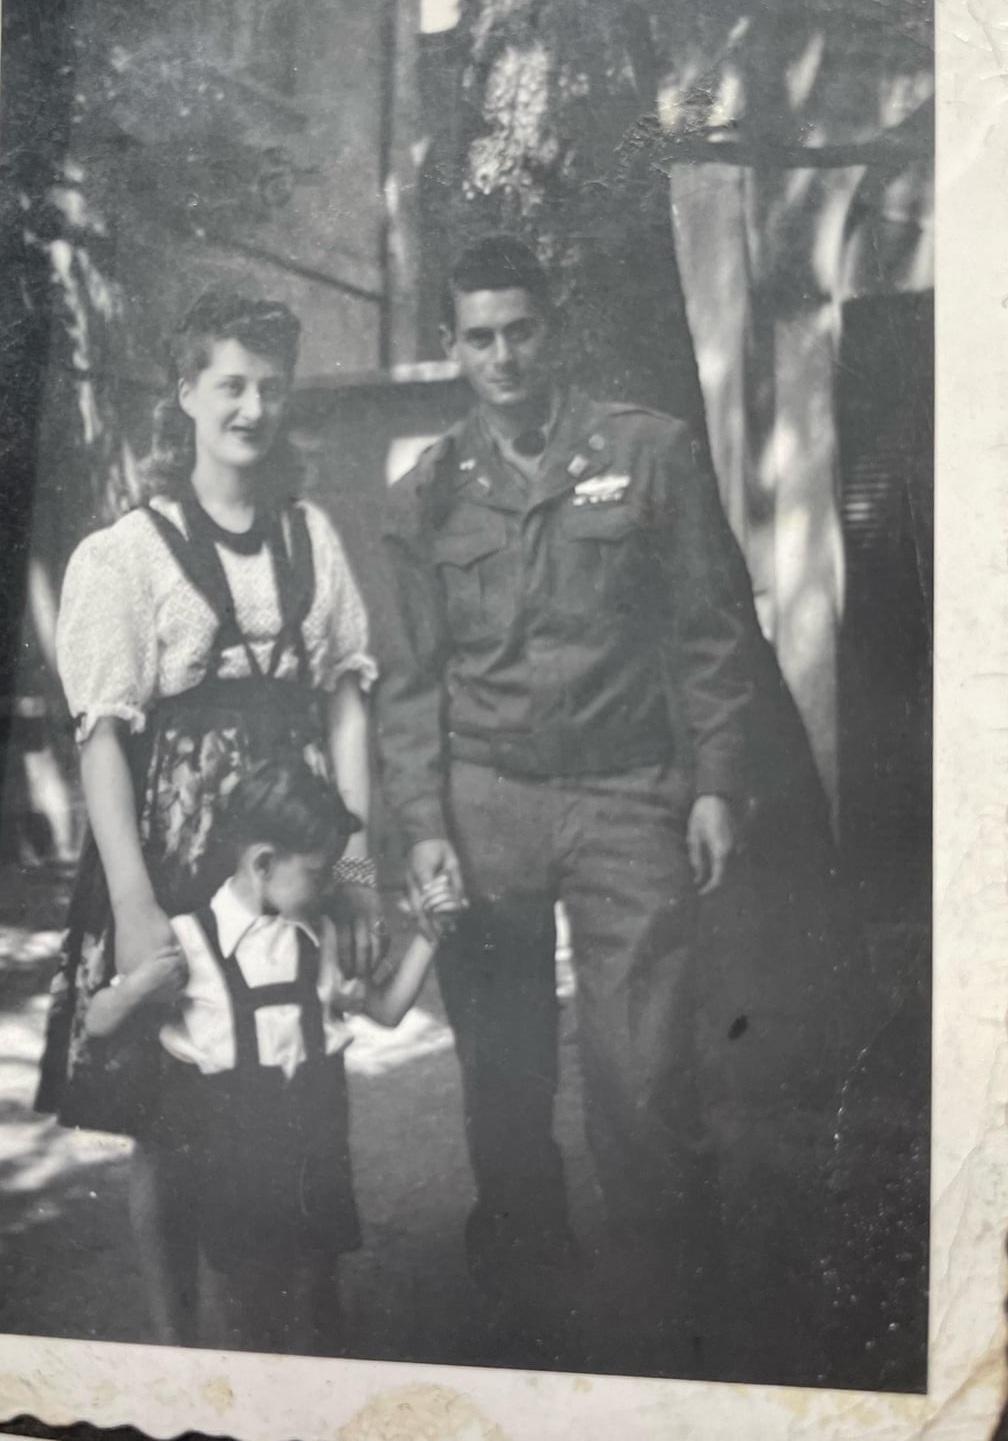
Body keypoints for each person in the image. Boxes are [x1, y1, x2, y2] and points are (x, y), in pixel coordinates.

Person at [376, 236, 753, 1359]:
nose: (502, 356)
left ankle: (670, 1325)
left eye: (520, 331)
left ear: (555, 329)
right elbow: (410, 683)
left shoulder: (650, 453)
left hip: (626, 795)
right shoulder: (426, 494)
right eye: (479, 338)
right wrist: (424, 826)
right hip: (485, 801)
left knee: (642, 1073)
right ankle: (530, 1309)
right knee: (503, 1077)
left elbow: (709, 633)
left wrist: (718, 784)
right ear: (452, 347)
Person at [35, 289, 384, 1346]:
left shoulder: (310, 537)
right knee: (168, 1110)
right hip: (172, 855)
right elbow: (102, 737)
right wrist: (134, 905)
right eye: (231, 384)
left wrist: (354, 862)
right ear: (186, 393)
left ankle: (306, 1320)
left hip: (290, 850)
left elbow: (347, 700)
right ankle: (176, 1343)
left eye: (271, 387)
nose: (252, 408)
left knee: (292, 1072)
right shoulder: (127, 553)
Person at [82, 760, 455, 1354]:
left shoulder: (317, 936)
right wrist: (137, 987)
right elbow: (98, 1021)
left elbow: (385, 1011)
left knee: (316, 1289)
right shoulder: (191, 941)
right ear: (261, 864)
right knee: (246, 1300)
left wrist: (428, 938)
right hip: (236, 1159)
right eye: (319, 874)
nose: (329, 886)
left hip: (315, 1150)